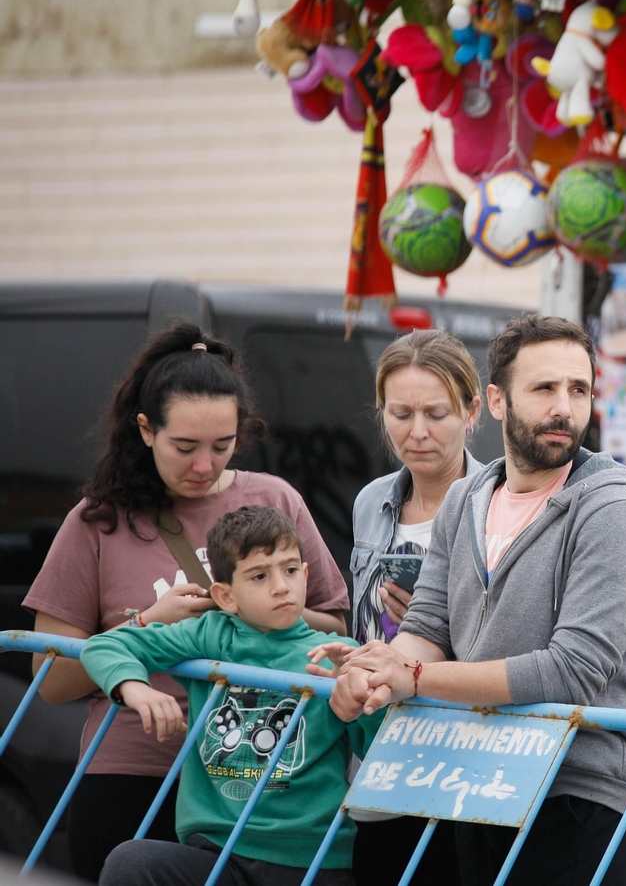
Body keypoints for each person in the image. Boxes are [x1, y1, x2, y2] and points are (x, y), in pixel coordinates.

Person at [314, 313, 626, 886]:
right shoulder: (465, 498)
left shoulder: (613, 506)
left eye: (579, 389)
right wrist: (375, 671)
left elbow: (571, 672)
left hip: (580, 788)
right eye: (544, 388)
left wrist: (415, 677)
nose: (565, 408)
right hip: (478, 774)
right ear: (498, 402)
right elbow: (426, 624)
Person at [22, 322, 350, 883]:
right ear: (145, 430)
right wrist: (149, 623)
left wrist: (240, 614)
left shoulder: (274, 498)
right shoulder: (98, 519)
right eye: (185, 447)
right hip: (130, 770)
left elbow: (329, 625)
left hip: (263, 786)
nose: (205, 466)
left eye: (222, 446)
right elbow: (49, 679)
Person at [86, 506, 381, 886]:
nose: (280, 586)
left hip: (310, 858)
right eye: (259, 575)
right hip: (216, 849)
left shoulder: (336, 653)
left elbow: (376, 747)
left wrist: (359, 699)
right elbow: (104, 647)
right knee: (131, 862)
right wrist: (135, 688)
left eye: (290, 570)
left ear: (306, 575)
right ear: (225, 596)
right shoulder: (211, 634)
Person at [346, 331, 483, 886]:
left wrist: (429, 626)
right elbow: (357, 616)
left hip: (462, 756)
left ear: (473, 411)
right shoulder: (371, 501)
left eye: (436, 413)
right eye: (400, 413)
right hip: (377, 749)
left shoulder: (494, 504)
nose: (417, 432)